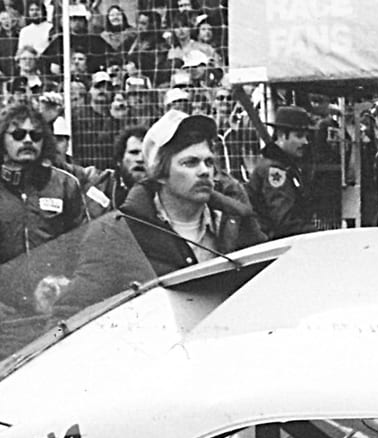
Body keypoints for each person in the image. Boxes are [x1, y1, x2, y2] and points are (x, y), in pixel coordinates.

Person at [55, 110, 264, 318]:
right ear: (160, 172)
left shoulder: (237, 220)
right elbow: (70, 314)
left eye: (208, 162)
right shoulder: (118, 232)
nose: (204, 171)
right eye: (190, 162)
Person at [0, 102, 88, 364]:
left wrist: (69, 293)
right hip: (2, 319)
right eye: (18, 135)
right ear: (2, 139)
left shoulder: (65, 185)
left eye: (36, 135)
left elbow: (84, 248)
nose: (28, 140)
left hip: (56, 314)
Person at [246, 104, 313, 239]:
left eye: (306, 136)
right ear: (282, 135)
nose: (305, 142)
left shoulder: (285, 166)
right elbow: (285, 222)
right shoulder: (275, 170)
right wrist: (317, 234)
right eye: (299, 136)